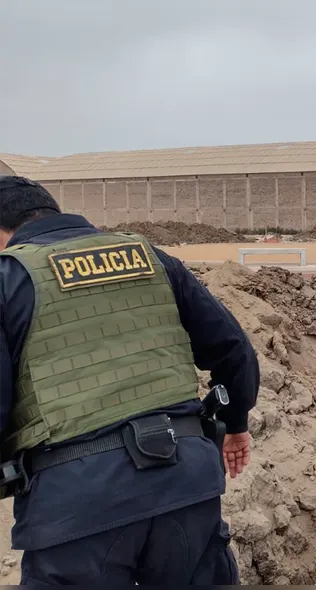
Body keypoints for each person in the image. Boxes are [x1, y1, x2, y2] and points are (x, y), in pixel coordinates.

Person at [0, 175, 260, 585]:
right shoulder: (150, 257)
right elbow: (234, 348)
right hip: (185, 482)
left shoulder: (7, 277)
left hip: (75, 505)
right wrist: (236, 422)